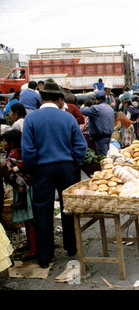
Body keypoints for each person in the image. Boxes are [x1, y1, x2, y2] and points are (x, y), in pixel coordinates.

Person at [21, 81, 87, 268]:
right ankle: (71, 247)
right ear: (59, 99)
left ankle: (45, 255)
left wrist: (34, 167)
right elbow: (80, 147)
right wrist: (71, 162)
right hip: (66, 167)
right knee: (68, 207)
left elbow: (28, 150)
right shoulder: (68, 118)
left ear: (40, 99)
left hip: (41, 168)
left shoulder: (31, 119)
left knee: (42, 211)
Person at [1, 129, 35, 259]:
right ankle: (29, 243)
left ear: (11, 143)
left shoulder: (17, 153)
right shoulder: (12, 152)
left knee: (30, 219)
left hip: (24, 188)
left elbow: (17, 166)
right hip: (19, 186)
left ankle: (33, 249)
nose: (2, 143)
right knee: (27, 220)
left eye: (4, 141)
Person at [80, 90, 115, 156]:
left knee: (102, 157)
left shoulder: (95, 109)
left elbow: (82, 111)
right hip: (108, 136)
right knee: (106, 154)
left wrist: (84, 106)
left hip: (100, 137)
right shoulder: (110, 108)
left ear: (96, 99)